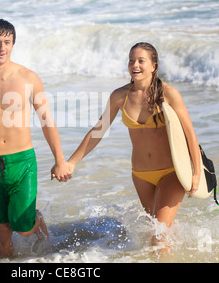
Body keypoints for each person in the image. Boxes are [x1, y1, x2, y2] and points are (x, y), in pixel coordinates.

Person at [59, 42, 201, 240]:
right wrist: (71, 162)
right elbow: (98, 131)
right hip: (141, 175)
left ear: (154, 66)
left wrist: (196, 171)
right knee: (158, 230)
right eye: (131, 60)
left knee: (158, 235)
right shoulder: (120, 96)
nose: (135, 65)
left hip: (171, 172)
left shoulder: (168, 94)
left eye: (141, 61)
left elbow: (189, 133)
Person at [0, 19, 71, 258]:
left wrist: (60, 160)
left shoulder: (28, 78)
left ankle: (36, 221)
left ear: (13, 44)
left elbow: (46, 121)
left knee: (23, 227)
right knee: (2, 233)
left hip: (22, 162)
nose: (2, 48)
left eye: (7, 42)